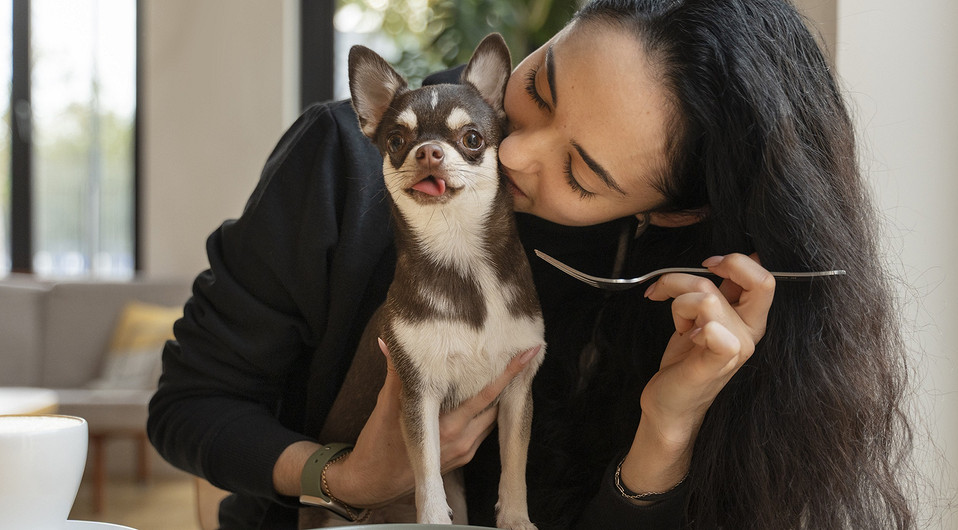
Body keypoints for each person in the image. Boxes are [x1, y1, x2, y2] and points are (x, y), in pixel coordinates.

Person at [148, 0, 915, 528]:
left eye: (581, 174)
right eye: (539, 87)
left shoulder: (662, 300)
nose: (511, 150)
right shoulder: (345, 164)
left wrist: (668, 426)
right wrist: (346, 476)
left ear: (671, 214)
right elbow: (189, 408)